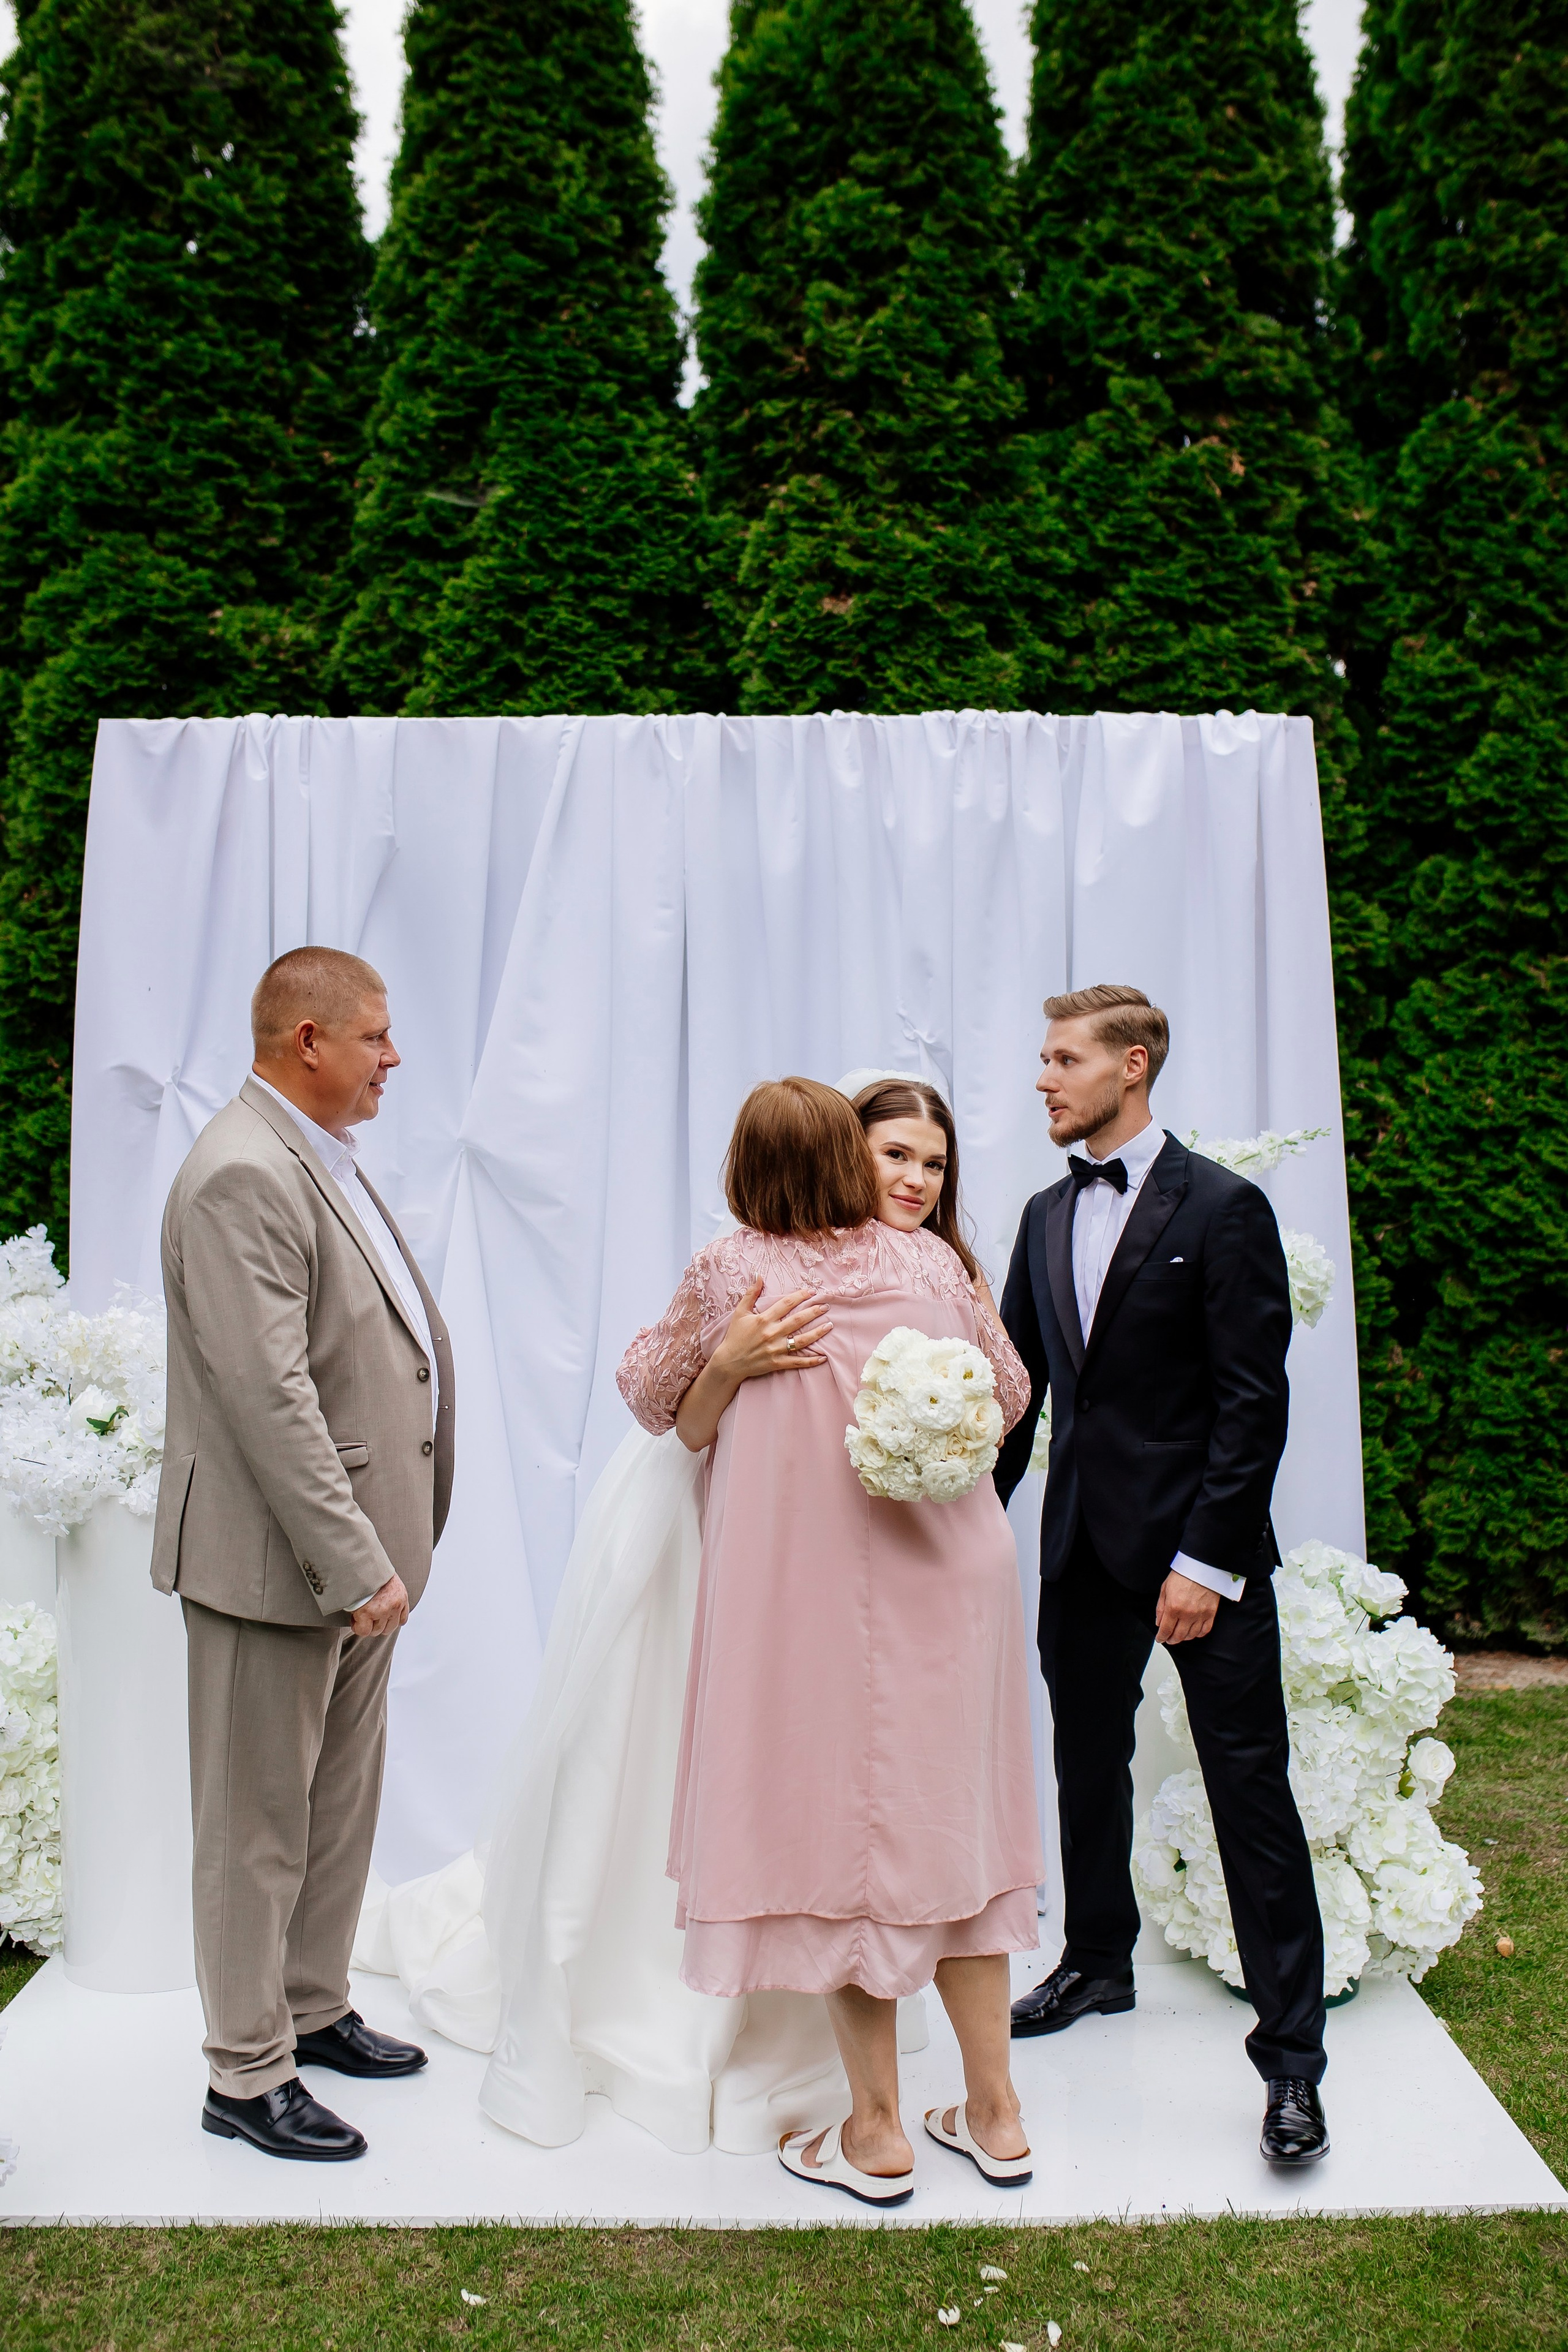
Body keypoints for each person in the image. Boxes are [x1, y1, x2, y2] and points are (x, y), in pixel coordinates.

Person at [618, 1076, 1043, 2206]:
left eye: (933, 1164)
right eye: (894, 1156)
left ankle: (879, 2134)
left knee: (843, 1842)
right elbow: (1009, 1393)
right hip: (958, 1581)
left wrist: (730, 1366)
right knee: (958, 1834)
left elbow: (647, 1395)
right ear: (848, 1155)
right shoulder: (938, 1268)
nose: (912, 1181)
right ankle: (996, 2117)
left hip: (808, 1597)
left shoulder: (734, 1268)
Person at [992, 984, 1330, 2167]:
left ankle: (1293, 2066)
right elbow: (1017, 1400)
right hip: (1080, 1549)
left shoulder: (1227, 1209)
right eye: (1041, 1059)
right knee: (1087, 1767)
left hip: (1202, 1561)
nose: (1042, 1078)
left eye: (1062, 1059)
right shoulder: (1040, 1215)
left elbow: (1254, 1406)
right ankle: (1095, 1962)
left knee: (1252, 1794)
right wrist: (962, 1539)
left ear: (1131, 1067)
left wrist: (1206, 1562)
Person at [152, 946, 456, 2163]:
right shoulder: (238, 1173)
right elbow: (266, 1398)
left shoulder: (311, 1155)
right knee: (254, 1824)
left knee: (334, 1805)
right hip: (279, 1567)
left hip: (352, 1565)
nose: (394, 1058)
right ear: (307, 1044)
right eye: (376, 1037)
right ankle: (243, 2072)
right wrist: (352, 1559)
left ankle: (313, 2009)